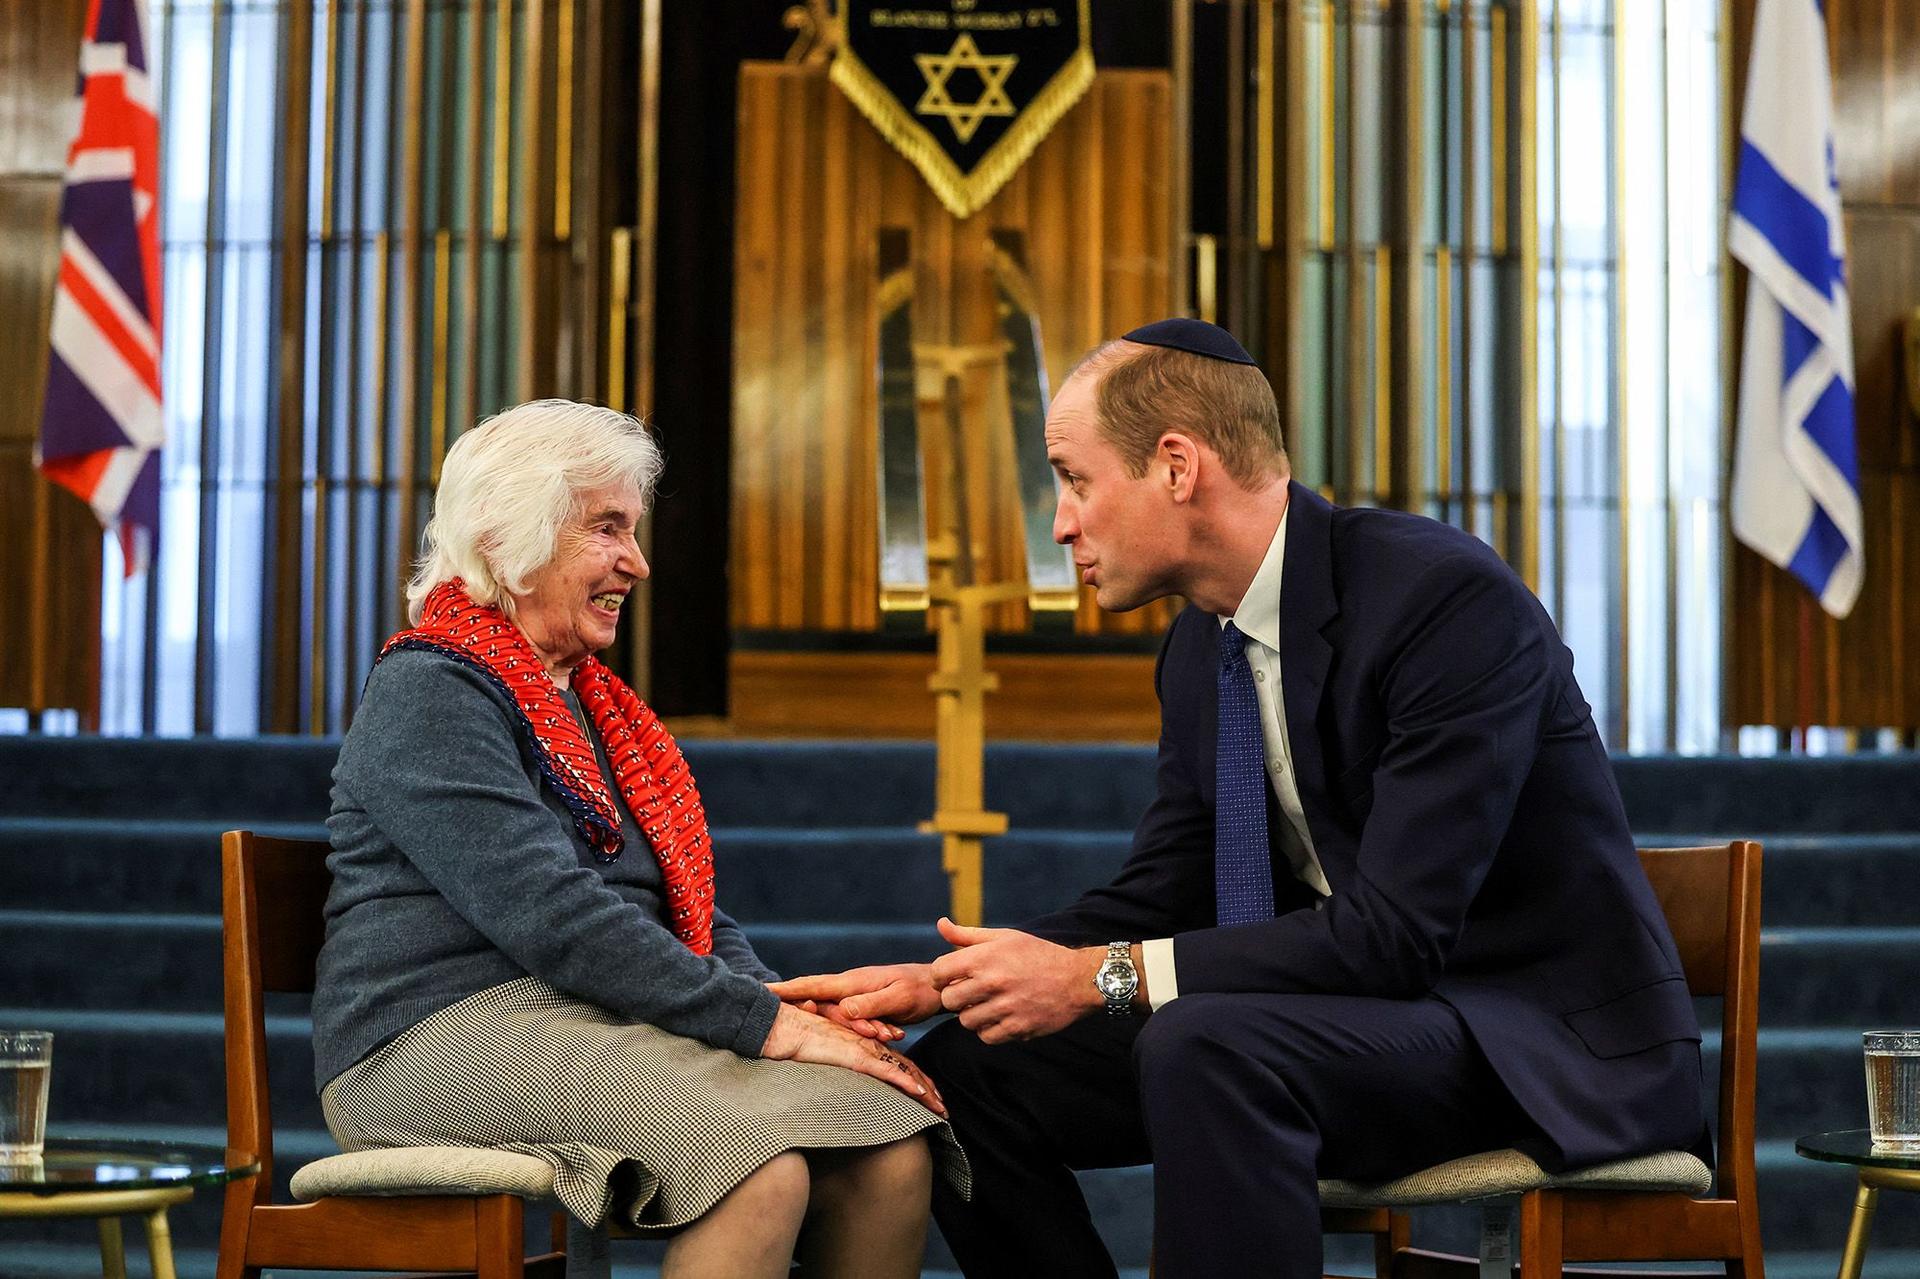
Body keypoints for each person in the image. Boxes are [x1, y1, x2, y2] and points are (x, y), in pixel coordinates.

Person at [773, 320, 1706, 1279]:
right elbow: (1161, 894)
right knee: (968, 1073)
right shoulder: (1199, 649)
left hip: (1527, 1037)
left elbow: (1395, 936)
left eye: (1075, 478)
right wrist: (950, 985)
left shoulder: (1443, 600)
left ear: (1176, 466)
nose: (1060, 523)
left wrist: (1102, 976)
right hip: (1345, 1022)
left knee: (1208, 1043)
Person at [311, 398, 963, 1279]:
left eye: (634, 528)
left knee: (886, 1145)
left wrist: (783, 1001)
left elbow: (676, 906)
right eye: (607, 527)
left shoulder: (596, 710)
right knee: (751, 1167)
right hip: (429, 1037)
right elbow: (556, 917)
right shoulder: (430, 688)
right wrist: (760, 1024)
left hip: (585, 1015)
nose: (638, 561)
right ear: (510, 539)